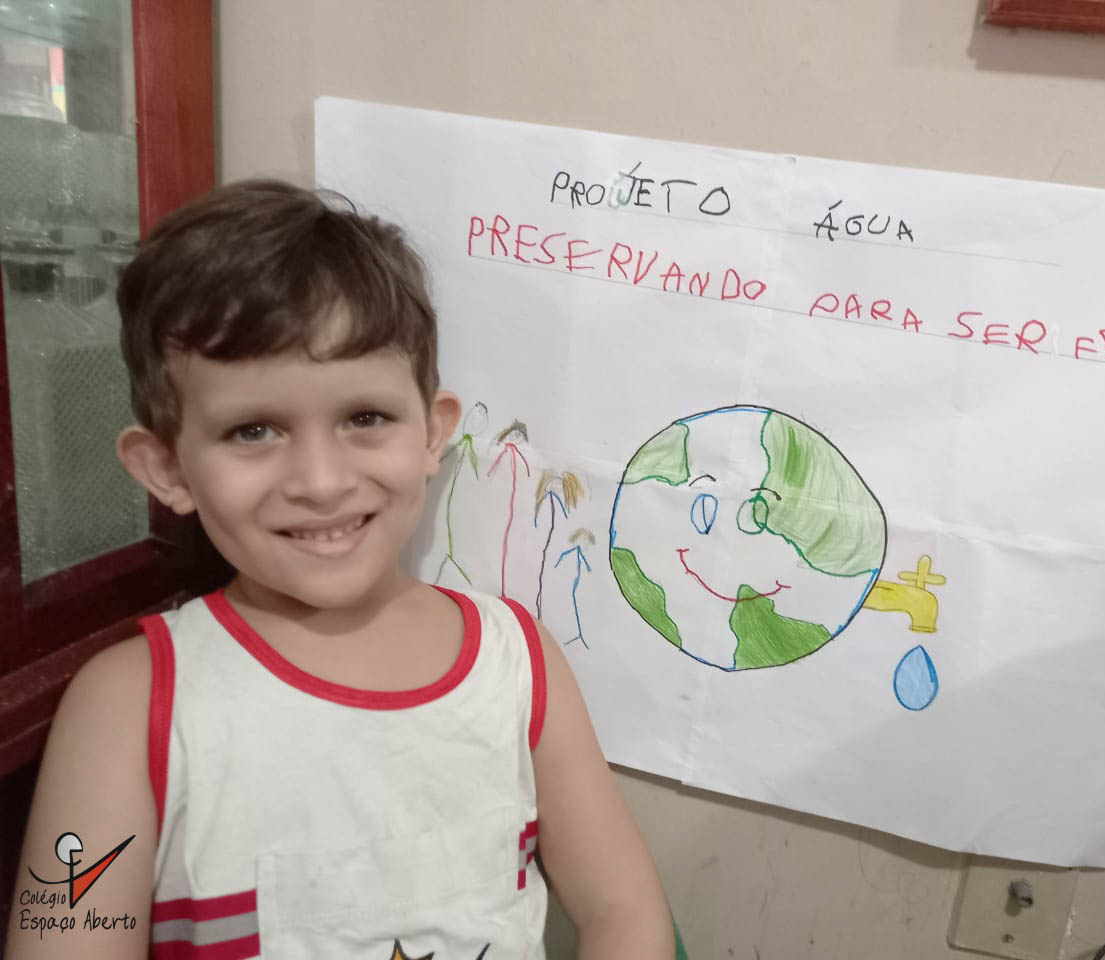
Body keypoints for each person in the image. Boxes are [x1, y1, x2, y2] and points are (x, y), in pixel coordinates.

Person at [4, 180, 674, 959]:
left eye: (365, 418)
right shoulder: (128, 704)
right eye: (253, 430)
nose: (321, 482)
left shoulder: (519, 662)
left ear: (432, 434)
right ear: (168, 469)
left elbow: (625, 910)